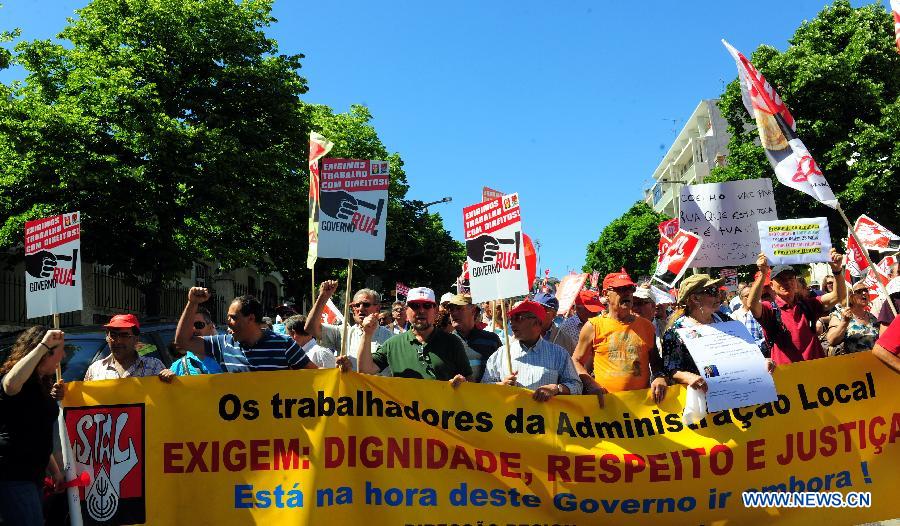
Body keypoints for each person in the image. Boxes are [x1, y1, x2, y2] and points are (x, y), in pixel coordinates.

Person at [663, 274, 775, 393]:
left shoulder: (726, 320)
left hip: (738, 391)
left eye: (718, 291)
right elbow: (671, 368)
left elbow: (747, 351)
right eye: (712, 291)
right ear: (695, 298)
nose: (718, 296)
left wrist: (762, 361)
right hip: (702, 396)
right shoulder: (676, 331)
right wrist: (688, 377)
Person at [0, 327, 66, 526]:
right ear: (44, 354)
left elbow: (37, 434)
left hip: (33, 476)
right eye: (60, 350)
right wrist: (43, 345)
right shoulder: (18, 380)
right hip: (13, 475)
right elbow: (10, 385)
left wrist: (54, 471)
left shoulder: (42, 384)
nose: (63, 356)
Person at [573, 271, 667, 403]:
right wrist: (590, 384)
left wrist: (659, 376)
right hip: (607, 407)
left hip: (641, 407)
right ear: (606, 294)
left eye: (630, 289)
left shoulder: (647, 326)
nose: (627, 293)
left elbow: (656, 362)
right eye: (621, 289)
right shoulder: (593, 326)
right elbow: (575, 361)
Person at [176, 288, 317, 372]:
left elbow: (317, 376)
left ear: (250, 318)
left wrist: (338, 371)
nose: (228, 323)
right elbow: (183, 342)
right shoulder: (221, 344)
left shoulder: (284, 344)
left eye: (233, 318)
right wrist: (192, 302)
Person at [748, 250, 846, 364]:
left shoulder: (808, 305)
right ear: (771, 285)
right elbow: (752, 304)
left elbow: (838, 296)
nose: (787, 282)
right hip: (788, 376)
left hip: (817, 371)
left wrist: (837, 271)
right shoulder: (770, 310)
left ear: (795, 282)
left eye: (790, 278)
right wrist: (762, 273)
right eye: (781, 279)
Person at [357, 287, 471, 383]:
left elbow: (469, 380)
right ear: (407, 311)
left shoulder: (452, 342)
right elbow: (365, 370)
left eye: (427, 305)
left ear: (435, 311)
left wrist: (461, 383)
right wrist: (367, 335)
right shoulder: (393, 344)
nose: (421, 310)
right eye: (415, 305)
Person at [481, 300, 582, 401]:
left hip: (543, 416)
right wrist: (500, 385)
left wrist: (556, 388)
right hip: (509, 416)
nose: (512, 323)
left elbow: (577, 386)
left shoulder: (559, 354)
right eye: (511, 318)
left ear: (537, 322)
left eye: (518, 318)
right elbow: (483, 387)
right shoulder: (501, 354)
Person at [305, 281, 392, 371]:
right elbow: (310, 328)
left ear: (377, 308)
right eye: (357, 305)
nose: (360, 309)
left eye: (366, 304)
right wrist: (323, 296)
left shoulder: (391, 338)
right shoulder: (343, 333)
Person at [85, 314, 172, 381]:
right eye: (113, 335)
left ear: (136, 339)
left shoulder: (154, 367)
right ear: (107, 337)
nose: (118, 341)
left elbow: (167, 398)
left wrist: (171, 381)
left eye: (124, 335)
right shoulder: (95, 369)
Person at [447, 293, 501, 382]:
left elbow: (501, 371)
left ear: (473, 311)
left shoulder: (491, 340)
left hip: (485, 395)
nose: (454, 313)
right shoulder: (445, 342)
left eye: (459, 308)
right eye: (451, 309)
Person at [826, 281, 879, 355]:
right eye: (859, 291)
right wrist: (844, 322)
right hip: (850, 363)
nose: (864, 293)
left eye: (866, 290)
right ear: (850, 296)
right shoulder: (839, 315)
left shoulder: (872, 318)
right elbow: (831, 340)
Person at [170, 306, 222, 375]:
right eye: (188, 326)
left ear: (210, 327)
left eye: (198, 325)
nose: (193, 329)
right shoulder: (178, 367)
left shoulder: (229, 357)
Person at [730, 284, 768, 356]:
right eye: (747, 296)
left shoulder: (766, 310)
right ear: (741, 299)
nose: (751, 298)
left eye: (753, 294)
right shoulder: (734, 317)